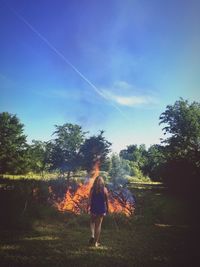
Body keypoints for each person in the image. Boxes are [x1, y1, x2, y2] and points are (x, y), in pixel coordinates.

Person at [88, 176, 109, 247]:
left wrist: (87, 207)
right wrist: (108, 209)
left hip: (93, 209)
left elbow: (89, 200)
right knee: (98, 226)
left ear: (95, 181)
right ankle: (96, 243)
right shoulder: (105, 189)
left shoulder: (92, 189)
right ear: (102, 182)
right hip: (101, 210)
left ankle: (92, 235)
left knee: (92, 222)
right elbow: (106, 201)